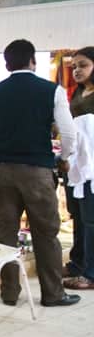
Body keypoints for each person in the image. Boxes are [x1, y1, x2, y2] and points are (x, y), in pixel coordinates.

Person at [0, 39, 80, 307]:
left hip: (3, 172)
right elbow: (68, 134)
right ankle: (53, 293)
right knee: (45, 233)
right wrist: (63, 158)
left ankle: (10, 293)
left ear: (6, 65)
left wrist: (3, 138)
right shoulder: (51, 90)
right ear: (32, 61)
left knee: (6, 234)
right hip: (37, 172)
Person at [63, 46, 94, 290]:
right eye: (74, 67)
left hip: (92, 166)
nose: (76, 71)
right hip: (76, 165)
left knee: (91, 218)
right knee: (78, 216)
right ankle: (77, 263)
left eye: (83, 65)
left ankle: (91, 273)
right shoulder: (77, 94)